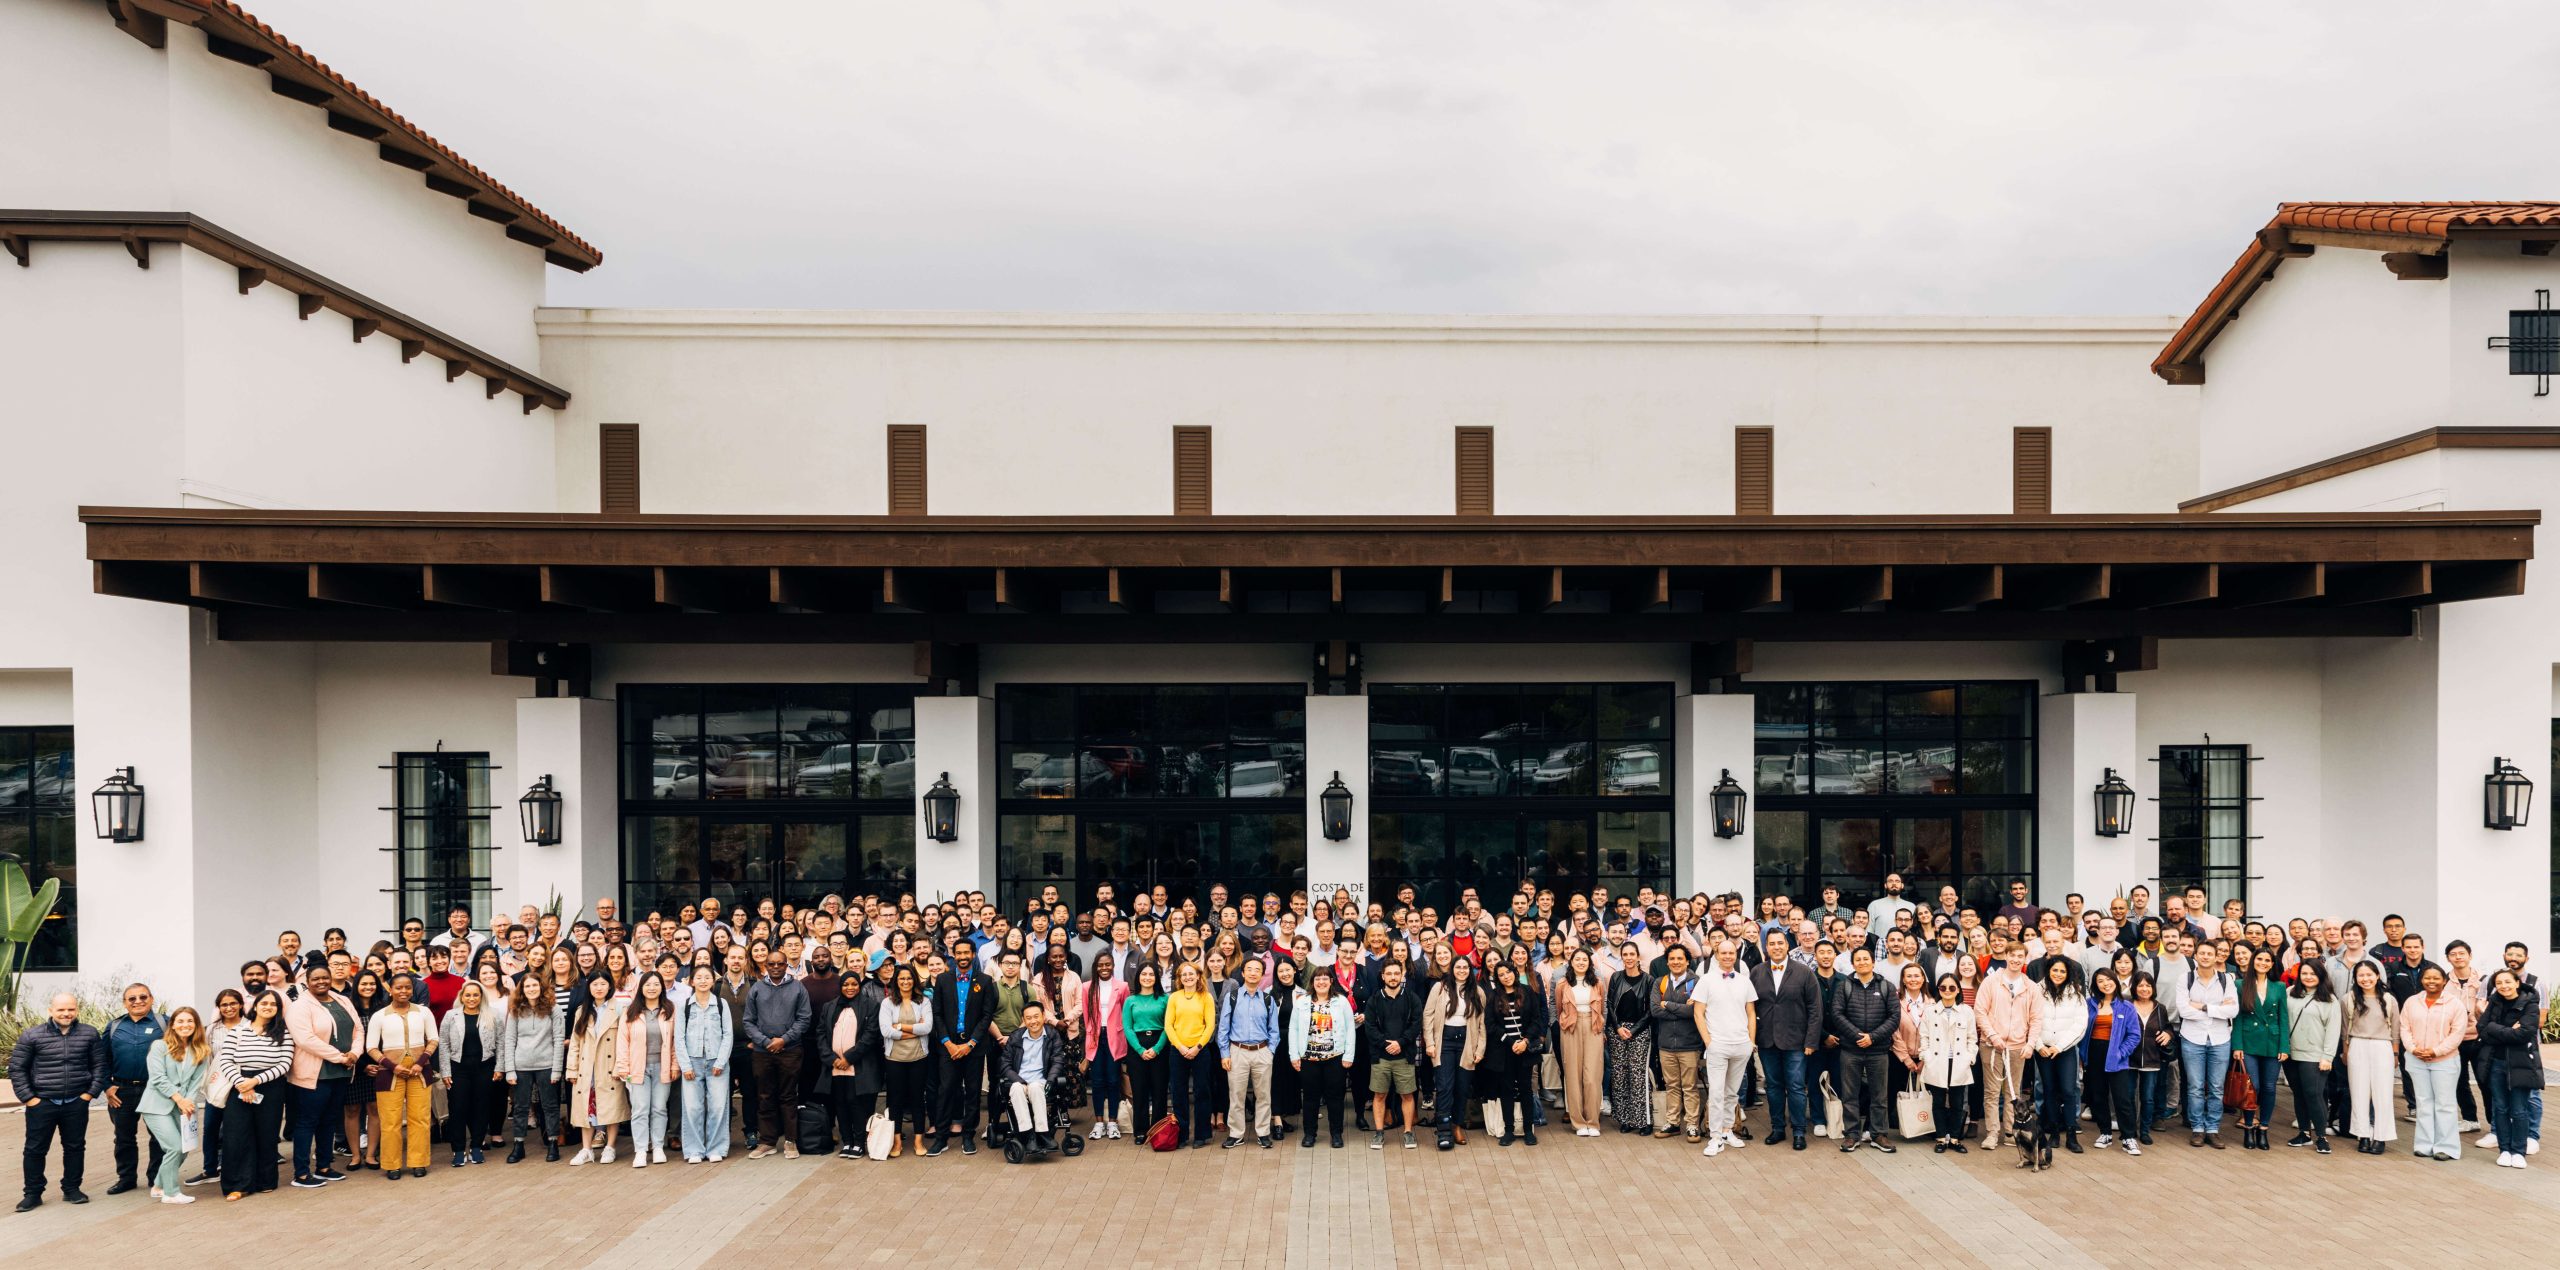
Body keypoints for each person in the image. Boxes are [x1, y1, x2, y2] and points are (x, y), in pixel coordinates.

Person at [282, 967, 360, 1189]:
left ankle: (324, 1166)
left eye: (325, 977)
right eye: (315, 979)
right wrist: (339, 1057)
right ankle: (302, 1173)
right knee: (307, 1122)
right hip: (314, 1075)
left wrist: (354, 1053)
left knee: (329, 1120)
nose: (321, 981)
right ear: (307, 982)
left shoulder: (341, 1000)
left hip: (341, 1072)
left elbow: (358, 1030)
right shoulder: (299, 1007)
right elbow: (305, 1039)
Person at [212, 991, 291, 1202]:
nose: (268, 1007)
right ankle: (238, 1184)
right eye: (264, 1003)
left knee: (266, 1135)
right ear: (255, 1006)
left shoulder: (283, 1032)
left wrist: (255, 1082)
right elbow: (225, 1060)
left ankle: (266, 1181)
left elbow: (284, 1064)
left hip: (271, 1086)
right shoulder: (238, 1030)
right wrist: (242, 1084)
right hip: (239, 1084)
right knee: (236, 1135)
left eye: (273, 1004)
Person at [365, 970, 439, 1179]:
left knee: (420, 1118)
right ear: (391, 990)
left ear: (413, 989)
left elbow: (433, 1039)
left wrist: (420, 1063)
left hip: (420, 1070)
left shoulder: (423, 1012)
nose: (403, 991)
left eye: (408, 987)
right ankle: (392, 1164)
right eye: (399, 987)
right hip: (390, 1073)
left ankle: (418, 1162)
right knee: (390, 1120)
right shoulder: (379, 1016)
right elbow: (371, 1047)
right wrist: (392, 1066)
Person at [1750, 928, 1818, 1150]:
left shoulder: (1804, 972)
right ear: (1766, 947)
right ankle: (1777, 1128)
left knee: (1797, 1087)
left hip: (1796, 1041)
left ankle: (1799, 1132)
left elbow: (1815, 1009)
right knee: (1773, 1087)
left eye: (1780, 943)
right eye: (1772, 944)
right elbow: (1750, 1007)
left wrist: (1810, 1041)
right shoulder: (1757, 972)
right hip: (1767, 1040)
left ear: (1787, 946)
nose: (1777, 947)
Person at [1690, 937, 1758, 1157]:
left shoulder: (1744, 981)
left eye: (1731, 953)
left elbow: (1751, 1013)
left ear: (1735, 955)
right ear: (1716, 955)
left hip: (1741, 1045)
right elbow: (1698, 1013)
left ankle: (1728, 1130)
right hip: (1717, 1044)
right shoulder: (1706, 981)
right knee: (1717, 1093)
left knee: (1732, 1093)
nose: (1728, 956)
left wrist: (1751, 1042)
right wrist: (1709, 1041)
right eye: (1723, 953)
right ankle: (1715, 1136)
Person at [1827, 946, 1898, 1153]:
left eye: (1866, 959)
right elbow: (1837, 1014)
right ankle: (1852, 1135)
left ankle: (1879, 1134)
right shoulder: (1844, 986)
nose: (1862, 962)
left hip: (1878, 1050)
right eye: (1858, 959)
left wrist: (1873, 1037)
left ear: (1873, 962)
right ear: (1853, 963)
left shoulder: (1886, 986)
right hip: (1851, 1049)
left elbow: (1894, 1016)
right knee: (1850, 1094)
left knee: (1880, 1095)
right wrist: (1859, 1036)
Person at [745, 948, 814, 1159]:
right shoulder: (756, 988)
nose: (776, 967)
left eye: (780, 964)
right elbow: (748, 1021)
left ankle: (790, 1141)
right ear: (765, 966)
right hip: (762, 1052)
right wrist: (766, 1042)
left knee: (788, 1095)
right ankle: (767, 1141)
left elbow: (804, 1019)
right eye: (771, 964)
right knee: (765, 1096)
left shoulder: (798, 988)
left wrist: (783, 1039)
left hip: (790, 1050)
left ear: (786, 965)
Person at [136, 1005, 209, 1204]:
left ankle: (159, 1186)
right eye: (181, 1021)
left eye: (190, 1021)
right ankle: (171, 1193)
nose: (185, 1025)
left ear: (196, 1025)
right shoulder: (160, 1046)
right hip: (156, 1105)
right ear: (173, 1025)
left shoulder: (201, 1050)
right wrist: (179, 1099)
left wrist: (189, 1103)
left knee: (185, 1148)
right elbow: (158, 1078)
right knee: (174, 1147)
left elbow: (196, 1082)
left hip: (184, 1105)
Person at [1973, 939, 2041, 1153]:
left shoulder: (2030, 986)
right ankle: (1993, 1133)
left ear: (2024, 959)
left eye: (2020, 956)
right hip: (1992, 1045)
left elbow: (2036, 1018)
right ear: (2006, 956)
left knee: (2013, 1091)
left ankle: (2012, 1132)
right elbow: (1980, 1011)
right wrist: (1992, 1036)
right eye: (2012, 955)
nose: (2015, 959)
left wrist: (2030, 1044)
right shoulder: (1991, 982)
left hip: (2017, 1046)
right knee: (1992, 1091)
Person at [100, 982, 167, 1198]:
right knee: (123, 1137)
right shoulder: (114, 1027)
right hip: (122, 1091)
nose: (138, 1001)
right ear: (124, 1003)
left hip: (155, 1089)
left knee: (158, 1135)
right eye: (132, 998)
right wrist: (107, 1086)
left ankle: (156, 1177)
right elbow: (101, 1059)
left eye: (143, 997)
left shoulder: (165, 1024)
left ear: (151, 998)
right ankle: (126, 1179)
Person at [927, 941, 992, 1156]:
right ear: (953, 956)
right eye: (959, 953)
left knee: (972, 1092)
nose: (963, 956)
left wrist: (970, 1044)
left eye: (967, 952)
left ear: (973, 954)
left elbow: (986, 1015)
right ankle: (941, 1138)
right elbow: (937, 1013)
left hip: (973, 1046)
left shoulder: (985, 980)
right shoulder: (943, 980)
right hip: (949, 1046)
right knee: (945, 1091)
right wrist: (948, 1042)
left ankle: (968, 1136)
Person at [2477, 968, 2544, 1169]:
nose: (2503, 986)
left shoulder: (2530, 1004)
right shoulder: (2495, 1002)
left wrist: (2495, 1029)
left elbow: (2525, 1034)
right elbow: (2482, 1028)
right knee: (2501, 1108)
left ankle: (2518, 1151)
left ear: (2517, 982)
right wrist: (2506, 1030)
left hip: (2521, 1064)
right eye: (2499, 983)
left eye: (2507, 982)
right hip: (2495, 1063)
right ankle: (2504, 1150)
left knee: (2519, 1110)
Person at [2175, 939, 2238, 1149]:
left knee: (2216, 1088)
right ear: (2195, 955)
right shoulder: (2186, 978)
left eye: (2209, 953)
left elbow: (2232, 1011)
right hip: (2192, 1038)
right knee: (2194, 1087)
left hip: (2220, 1039)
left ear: (2217, 956)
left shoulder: (2226, 979)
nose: (2205, 957)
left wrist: (2202, 1007)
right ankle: (2198, 1128)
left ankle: (2213, 1128)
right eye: (2201, 953)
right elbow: (2184, 1011)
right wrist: (2217, 1007)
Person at [2399, 964, 2466, 1161]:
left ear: (2444, 980)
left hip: (2444, 1061)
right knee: (2423, 1102)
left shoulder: (2455, 1004)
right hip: (2416, 1059)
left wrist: (2436, 1051)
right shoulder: (2412, 1002)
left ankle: (2446, 1147)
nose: (2431, 981)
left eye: (2436, 978)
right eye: (2427, 978)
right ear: (2421, 980)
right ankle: (2424, 1144)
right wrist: (2413, 1049)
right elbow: (2404, 1028)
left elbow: (2457, 1034)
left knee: (2444, 1104)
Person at [438, 980, 507, 1168]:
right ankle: (458, 1150)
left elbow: (501, 1042)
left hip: (485, 1066)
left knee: (481, 1108)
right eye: (467, 995)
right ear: (461, 996)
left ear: (481, 996)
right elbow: (443, 1043)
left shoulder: (493, 1015)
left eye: (475, 995)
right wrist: (445, 1071)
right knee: (458, 1109)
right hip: (458, 1068)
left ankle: (476, 1146)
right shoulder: (451, 1016)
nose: (471, 998)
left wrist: (500, 1067)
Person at [1217, 956, 1281, 1148]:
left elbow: (1274, 1030)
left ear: (1262, 975)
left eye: (1257, 970)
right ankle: (1236, 1134)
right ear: (1243, 973)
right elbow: (1223, 1027)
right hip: (1238, 1051)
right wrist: (1225, 1053)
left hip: (1261, 1051)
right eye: (1250, 969)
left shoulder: (1268, 999)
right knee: (1236, 1095)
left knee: (1263, 1095)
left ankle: (1263, 1133)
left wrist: (1270, 1052)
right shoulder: (1233, 997)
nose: (1253, 973)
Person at [676, 963, 737, 1163]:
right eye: (699, 977)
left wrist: (720, 1061)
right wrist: (685, 1066)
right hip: (692, 1062)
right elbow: (679, 1038)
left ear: (713, 981)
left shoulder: (721, 1004)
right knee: (693, 1108)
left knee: (718, 1107)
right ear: (692, 981)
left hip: (716, 1063)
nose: (703, 981)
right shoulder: (685, 1005)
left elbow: (728, 1034)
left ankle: (716, 1148)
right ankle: (694, 1150)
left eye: (707, 977)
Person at [616, 971, 678, 1169]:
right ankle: (641, 1150)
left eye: (656, 984)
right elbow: (622, 1042)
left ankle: (658, 1146)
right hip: (637, 1068)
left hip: (662, 1067)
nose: (652, 988)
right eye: (648, 984)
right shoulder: (630, 1012)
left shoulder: (669, 1010)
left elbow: (675, 1041)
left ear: (662, 987)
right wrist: (623, 1068)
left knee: (659, 1108)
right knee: (640, 1110)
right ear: (641, 988)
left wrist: (675, 1065)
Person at [564, 973, 627, 1166]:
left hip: (609, 1066)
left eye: (603, 984)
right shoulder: (582, 1010)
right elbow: (575, 1042)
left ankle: (610, 1146)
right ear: (589, 987)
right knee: (586, 1107)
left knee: (611, 1106)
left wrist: (620, 1065)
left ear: (609, 987)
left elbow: (624, 1040)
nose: (599, 988)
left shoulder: (619, 1009)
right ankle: (586, 1149)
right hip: (586, 1066)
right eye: (595, 984)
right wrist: (572, 1069)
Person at [1423, 954, 1485, 1148]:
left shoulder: (1478, 992)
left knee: (1462, 1088)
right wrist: (1430, 1042)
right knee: (1444, 1087)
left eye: (1465, 968)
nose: (1461, 971)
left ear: (1470, 970)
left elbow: (1483, 1024)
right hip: (1444, 1042)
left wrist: (1480, 1049)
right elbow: (1428, 1015)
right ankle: (1443, 1131)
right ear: (1452, 969)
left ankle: (1457, 1125)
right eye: (1458, 967)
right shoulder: (1440, 988)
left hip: (1467, 1043)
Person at [1361, 957, 1423, 1151]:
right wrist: (1386, 1044)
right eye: (1389, 974)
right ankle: (1379, 1132)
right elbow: (1369, 1028)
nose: (1393, 977)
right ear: (1383, 976)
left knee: (1407, 1095)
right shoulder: (1374, 999)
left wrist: (1400, 1043)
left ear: (1402, 974)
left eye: (1397, 973)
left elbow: (1416, 1025)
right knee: (1379, 1095)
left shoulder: (1412, 998)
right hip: (1381, 1057)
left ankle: (1407, 1131)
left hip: (1404, 1056)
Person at [2230, 945, 2288, 1151]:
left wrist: (2284, 1046)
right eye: (2259, 960)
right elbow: (2236, 1018)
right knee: (2251, 1087)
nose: (2262, 963)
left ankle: (2263, 1128)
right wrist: (2237, 1045)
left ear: (2272, 964)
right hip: (2248, 1042)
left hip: (2272, 1042)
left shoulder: (2279, 986)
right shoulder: (2240, 984)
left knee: (2269, 1087)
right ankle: (2248, 1126)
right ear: (2253, 961)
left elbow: (2283, 1018)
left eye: (2267, 961)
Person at [1291, 965, 1356, 1148]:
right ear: (1312, 982)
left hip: (1335, 1058)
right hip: (1309, 1059)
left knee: (1335, 1098)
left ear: (1331, 982)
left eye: (1325, 979)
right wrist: (1294, 1055)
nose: (1321, 982)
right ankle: (1310, 1134)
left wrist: (1348, 1055)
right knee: (1310, 1099)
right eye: (1317, 979)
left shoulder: (1341, 1001)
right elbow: (1293, 1030)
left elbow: (1350, 1029)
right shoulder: (1302, 1002)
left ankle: (1336, 1134)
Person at [1479, 961, 1542, 1147]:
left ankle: (1529, 1130)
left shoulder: (1527, 991)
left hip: (1525, 1049)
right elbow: (1490, 1025)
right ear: (1497, 978)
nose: (1506, 976)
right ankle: (1508, 1130)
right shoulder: (1494, 996)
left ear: (1514, 972)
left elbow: (1536, 1020)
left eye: (1508, 972)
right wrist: (1510, 1041)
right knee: (1506, 1090)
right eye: (1501, 974)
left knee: (1525, 1090)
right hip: (1504, 1051)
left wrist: (1525, 1041)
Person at [503, 971, 563, 1163]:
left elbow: (558, 1039)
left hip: (546, 1064)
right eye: (527, 986)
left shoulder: (554, 1009)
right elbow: (509, 1040)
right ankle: (518, 1145)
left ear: (541, 987)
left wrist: (556, 1069)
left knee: (550, 1106)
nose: (531, 989)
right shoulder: (515, 1010)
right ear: (522, 989)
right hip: (521, 1066)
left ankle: (553, 1143)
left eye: (534, 985)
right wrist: (510, 1069)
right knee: (520, 1107)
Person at [1647, 944, 1705, 1142]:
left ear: (1687, 961)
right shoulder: (1659, 982)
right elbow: (1655, 1011)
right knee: (1672, 1085)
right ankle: (1672, 1123)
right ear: (1667, 961)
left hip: (1689, 1044)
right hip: (1665, 1045)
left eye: (1680, 958)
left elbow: (1694, 1012)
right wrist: (1681, 1007)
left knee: (1690, 1086)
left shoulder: (1696, 982)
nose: (1676, 962)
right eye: (1672, 959)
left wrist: (1669, 1005)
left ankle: (1692, 1125)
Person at [1914, 974, 1977, 1153]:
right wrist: (1926, 1056)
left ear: (1958, 990)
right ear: (1938, 990)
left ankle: (1955, 1138)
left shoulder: (1966, 1011)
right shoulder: (1930, 1011)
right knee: (1938, 1102)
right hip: (1937, 1061)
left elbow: (1972, 1038)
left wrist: (1970, 1057)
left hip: (1959, 1062)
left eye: (1952, 988)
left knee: (1958, 1103)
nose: (1947, 991)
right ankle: (1941, 1138)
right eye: (1943, 988)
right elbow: (1924, 1037)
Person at [2282, 960, 2339, 1153]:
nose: (2308, 977)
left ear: (2321, 976)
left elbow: (2333, 1031)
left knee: (2314, 1095)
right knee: (2299, 1094)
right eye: (2304, 973)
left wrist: (2328, 1057)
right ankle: (2304, 1133)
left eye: (2313, 974)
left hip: (2315, 1055)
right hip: (2290, 1053)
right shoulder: (2289, 992)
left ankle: (2321, 1136)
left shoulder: (2329, 1000)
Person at [2343, 960, 2399, 1154]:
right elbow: (2345, 1029)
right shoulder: (2349, 999)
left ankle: (2381, 1137)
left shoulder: (2389, 1000)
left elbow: (2396, 1029)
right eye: (2361, 975)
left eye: (2369, 975)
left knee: (2382, 1094)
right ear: (2355, 979)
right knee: (2358, 1092)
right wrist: (2345, 1051)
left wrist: (2395, 1053)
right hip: (2357, 1044)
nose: (2365, 979)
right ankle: (2363, 1135)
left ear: (2377, 976)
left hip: (2382, 1046)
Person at [879, 964, 933, 1159]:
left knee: (918, 1099)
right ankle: (897, 1142)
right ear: (896, 981)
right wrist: (913, 1031)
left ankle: (919, 1140)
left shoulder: (924, 1001)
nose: (905, 982)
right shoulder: (887, 1003)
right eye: (901, 978)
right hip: (894, 1058)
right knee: (895, 1101)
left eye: (909, 978)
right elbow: (886, 1031)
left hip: (919, 1057)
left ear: (914, 980)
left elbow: (927, 1028)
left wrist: (901, 1027)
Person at [1550, 947, 1606, 1137]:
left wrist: (1602, 1028)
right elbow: (1558, 1009)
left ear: (1589, 963)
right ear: (1571, 962)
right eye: (1577, 959)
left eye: (1584, 960)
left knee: (1592, 1076)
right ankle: (1578, 1122)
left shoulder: (1598, 983)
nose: (1581, 962)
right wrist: (1563, 1024)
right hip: (1570, 1029)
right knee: (1573, 1075)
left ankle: (1593, 1121)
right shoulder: (1562, 984)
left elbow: (1603, 1007)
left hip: (1593, 1027)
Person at [1165, 960, 1219, 1148]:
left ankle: (1202, 1135)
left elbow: (1210, 1025)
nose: (1188, 977)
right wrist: (1180, 1047)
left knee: (1202, 1091)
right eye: (1184, 975)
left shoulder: (1206, 997)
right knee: (1178, 1093)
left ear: (1198, 976)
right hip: (1177, 1050)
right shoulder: (1174, 998)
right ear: (1179, 978)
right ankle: (1181, 1135)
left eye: (1191, 974)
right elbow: (1168, 1026)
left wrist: (1197, 1047)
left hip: (1200, 1050)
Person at [999, 1001, 1070, 1142]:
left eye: (1036, 1016)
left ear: (1043, 1016)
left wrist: (1051, 1080)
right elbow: (1005, 1065)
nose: (1033, 1021)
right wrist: (1020, 1081)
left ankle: (1043, 1133)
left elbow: (1058, 1061)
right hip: (1019, 1082)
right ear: (1023, 1020)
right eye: (1028, 1018)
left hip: (1041, 1082)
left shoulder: (1052, 1035)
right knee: (1016, 1089)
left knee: (1035, 1087)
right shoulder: (1015, 1037)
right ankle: (1028, 1135)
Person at [1605, 939, 1654, 1137]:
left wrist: (1633, 1030)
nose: (1628, 958)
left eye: (1632, 954)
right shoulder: (1616, 978)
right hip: (1617, 1031)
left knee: (1638, 1076)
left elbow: (1650, 1010)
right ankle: (1625, 1119)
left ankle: (1643, 1120)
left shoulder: (1648, 980)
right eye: (1625, 955)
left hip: (1639, 1032)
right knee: (1619, 1075)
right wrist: (1617, 1028)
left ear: (1638, 957)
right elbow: (1609, 1004)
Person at [1122, 963, 1172, 1146]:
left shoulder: (1165, 999)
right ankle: (1140, 1131)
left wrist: (1157, 1048)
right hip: (1137, 1049)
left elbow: (1169, 1026)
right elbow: (1127, 1027)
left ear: (1156, 978)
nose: (1148, 977)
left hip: (1160, 1045)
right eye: (1144, 974)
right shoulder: (1130, 1000)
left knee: (1159, 1091)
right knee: (1140, 1091)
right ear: (1138, 977)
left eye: (1151, 974)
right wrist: (1141, 1050)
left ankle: (1157, 1130)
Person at [1082, 950, 1129, 1140]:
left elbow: (1125, 1013)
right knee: (1098, 1082)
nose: (1104, 968)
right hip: (1095, 1038)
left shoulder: (1122, 986)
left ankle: (1113, 1122)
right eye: (1100, 965)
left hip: (1114, 1038)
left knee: (1113, 1080)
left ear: (1113, 966)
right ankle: (1099, 1122)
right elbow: (1086, 1015)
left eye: (1107, 964)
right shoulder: (1088, 987)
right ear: (1096, 967)